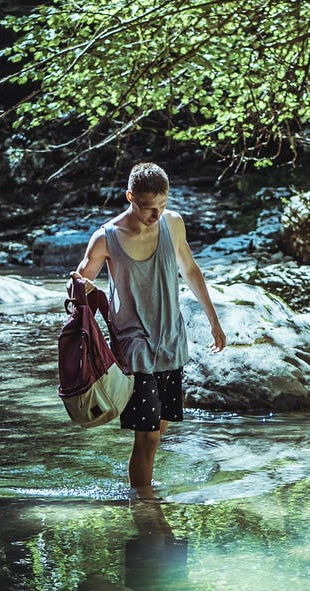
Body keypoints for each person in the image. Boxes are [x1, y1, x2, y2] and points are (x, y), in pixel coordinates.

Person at [70, 162, 226, 494]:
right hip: (134, 347)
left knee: (159, 430)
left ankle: (142, 493)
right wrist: (81, 291)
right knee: (148, 434)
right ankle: (144, 507)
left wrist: (213, 319)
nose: (155, 215)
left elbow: (191, 270)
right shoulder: (106, 238)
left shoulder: (173, 224)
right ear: (129, 197)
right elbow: (79, 286)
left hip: (171, 341)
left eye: (161, 206)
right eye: (146, 208)